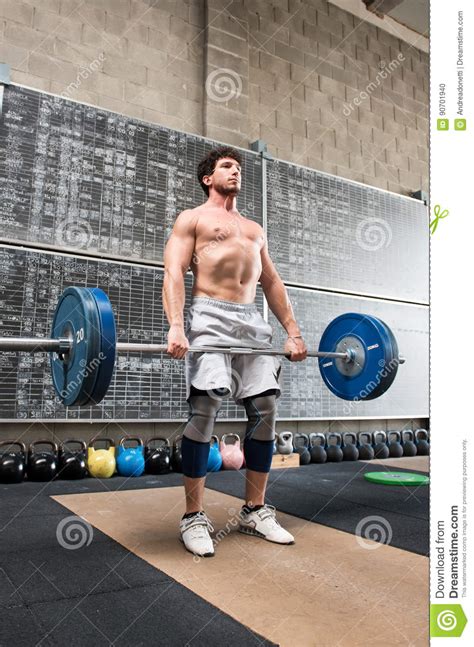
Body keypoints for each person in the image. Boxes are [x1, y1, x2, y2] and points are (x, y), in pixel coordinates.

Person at [163, 146, 307, 557]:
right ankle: (193, 517)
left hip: (250, 319)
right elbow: (173, 270)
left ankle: (255, 510)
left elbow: (273, 282)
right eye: (227, 166)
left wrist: (293, 332)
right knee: (205, 406)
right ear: (208, 178)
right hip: (209, 315)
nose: (235, 171)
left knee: (265, 407)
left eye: (239, 167)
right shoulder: (192, 219)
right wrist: (177, 324)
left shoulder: (254, 228)